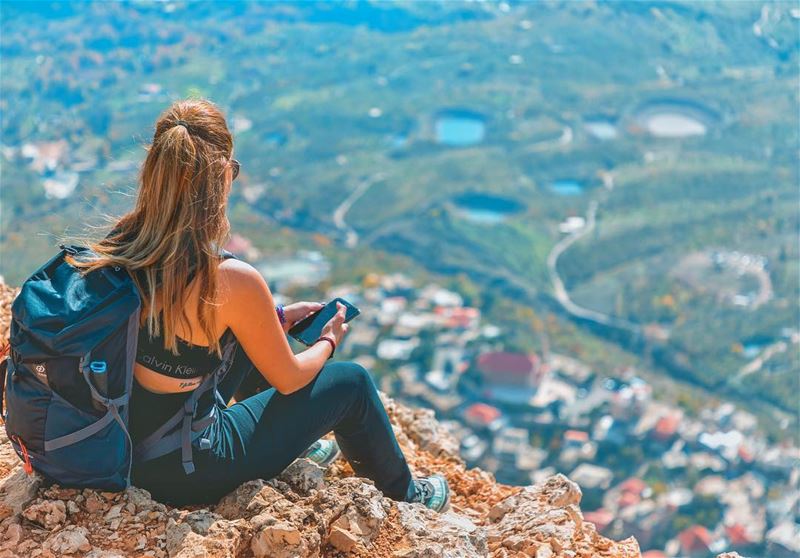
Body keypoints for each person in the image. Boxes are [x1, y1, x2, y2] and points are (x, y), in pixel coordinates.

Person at [65, 98, 450, 511]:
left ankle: (291, 442)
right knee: (352, 384)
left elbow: (172, 334)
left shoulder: (120, 247)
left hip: (116, 443)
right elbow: (290, 378)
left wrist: (274, 319)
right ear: (221, 178)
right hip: (183, 471)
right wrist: (328, 340)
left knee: (250, 333)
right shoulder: (226, 278)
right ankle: (407, 496)